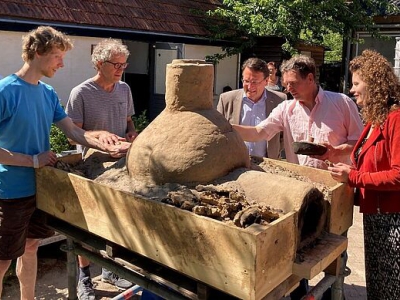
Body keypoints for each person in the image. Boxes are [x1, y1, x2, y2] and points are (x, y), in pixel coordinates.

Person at [0, 26, 128, 300]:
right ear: (37, 53)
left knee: (32, 246)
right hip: (9, 191)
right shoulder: (5, 91)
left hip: (41, 187)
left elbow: (73, 132)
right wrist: (31, 160)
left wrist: (106, 144)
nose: (62, 63)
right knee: (2, 260)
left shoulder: (47, 93)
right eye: (57, 56)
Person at [232, 54, 364, 299]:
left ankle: (333, 293)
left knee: (332, 251)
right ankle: (301, 294)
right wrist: (228, 128)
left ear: (311, 78)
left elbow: (359, 143)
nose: (287, 88)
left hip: (337, 189)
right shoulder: (286, 108)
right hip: (302, 193)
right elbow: (261, 132)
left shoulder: (342, 103)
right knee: (299, 249)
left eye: (293, 83)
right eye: (285, 83)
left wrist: (337, 151)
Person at [66, 38, 137, 299]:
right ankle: (84, 277)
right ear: (98, 63)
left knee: (115, 222)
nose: (121, 69)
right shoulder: (80, 93)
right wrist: (98, 135)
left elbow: (129, 122)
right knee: (85, 227)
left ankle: (110, 271)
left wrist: (131, 134)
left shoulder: (124, 89)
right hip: (91, 168)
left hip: (120, 169)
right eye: (115, 64)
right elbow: (72, 136)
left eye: (123, 64)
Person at [328, 49, 400, 300]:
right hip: (376, 217)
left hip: (393, 221)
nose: (352, 89)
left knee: (392, 288)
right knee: (379, 286)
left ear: (375, 83)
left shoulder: (396, 118)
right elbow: (370, 160)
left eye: (357, 83)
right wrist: (338, 158)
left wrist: (353, 177)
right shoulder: (375, 119)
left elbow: (398, 175)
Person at [217, 57, 286, 159]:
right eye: (246, 81)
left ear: (266, 81)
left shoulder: (279, 100)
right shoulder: (226, 100)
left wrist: (274, 151)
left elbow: (283, 136)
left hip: (267, 164)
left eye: (254, 82)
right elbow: (218, 131)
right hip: (234, 163)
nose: (249, 87)